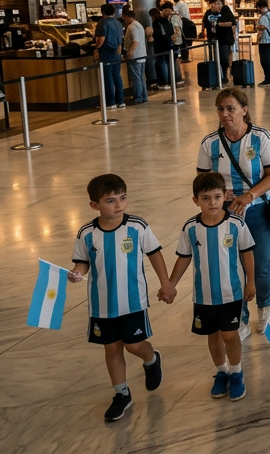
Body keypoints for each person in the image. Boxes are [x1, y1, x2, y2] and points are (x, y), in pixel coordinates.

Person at [68, 173, 176, 423]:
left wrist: (166, 283)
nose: (119, 205)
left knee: (134, 345)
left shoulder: (137, 226)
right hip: (102, 305)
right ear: (94, 205)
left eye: (122, 198)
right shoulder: (87, 233)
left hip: (133, 302)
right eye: (110, 201)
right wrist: (76, 273)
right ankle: (121, 394)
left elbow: (155, 253)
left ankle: (151, 359)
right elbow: (82, 263)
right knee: (112, 348)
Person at [196, 87, 270, 337]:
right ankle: (240, 316)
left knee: (260, 264)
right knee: (233, 266)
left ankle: (265, 307)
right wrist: (221, 193)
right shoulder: (210, 143)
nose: (225, 114)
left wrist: (249, 195)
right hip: (224, 215)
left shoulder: (261, 138)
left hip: (257, 210)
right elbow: (203, 180)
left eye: (230, 108)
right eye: (221, 109)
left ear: (244, 110)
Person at [166, 172, 256, 402]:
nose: (212, 203)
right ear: (195, 200)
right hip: (204, 295)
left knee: (229, 334)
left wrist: (251, 283)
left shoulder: (236, 224)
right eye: (205, 198)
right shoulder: (191, 228)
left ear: (224, 196)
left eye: (217, 197)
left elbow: (247, 254)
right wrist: (171, 284)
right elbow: (184, 258)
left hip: (232, 293)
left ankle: (236, 373)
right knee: (213, 335)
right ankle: (222, 371)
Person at [93, 4, 125, 108]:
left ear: (103, 12)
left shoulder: (102, 23)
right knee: (117, 76)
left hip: (106, 52)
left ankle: (110, 102)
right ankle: (120, 101)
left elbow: (101, 40)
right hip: (117, 51)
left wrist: (96, 48)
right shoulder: (118, 23)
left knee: (108, 78)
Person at [203, 0, 238, 86]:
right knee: (214, 58)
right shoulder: (208, 13)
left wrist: (220, 24)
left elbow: (232, 22)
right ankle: (217, 76)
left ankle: (224, 75)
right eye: (214, 4)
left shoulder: (226, 10)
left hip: (224, 39)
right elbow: (205, 24)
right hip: (213, 39)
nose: (216, 5)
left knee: (223, 58)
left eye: (218, 3)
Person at [120, 8, 149, 104]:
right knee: (141, 77)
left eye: (124, 17)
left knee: (136, 77)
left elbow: (135, 41)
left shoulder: (132, 27)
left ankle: (138, 97)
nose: (123, 19)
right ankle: (143, 96)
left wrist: (129, 53)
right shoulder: (139, 25)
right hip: (141, 55)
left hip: (135, 56)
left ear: (128, 16)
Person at [148, 6, 173, 90]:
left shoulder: (156, 23)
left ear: (152, 15)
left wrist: (153, 37)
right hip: (169, 44)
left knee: (161, 63)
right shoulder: (165, 20)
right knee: (168, 63)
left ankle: (163, 83)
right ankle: (171, 81)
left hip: (161, 46)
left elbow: (158, 35)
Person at [254, 0, 270, 86]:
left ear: (261, 7)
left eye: (258, 7)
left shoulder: (263, 17)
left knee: (264, 60)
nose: (257, 9)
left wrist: (257, 40)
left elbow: (262, 28)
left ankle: (268, 79)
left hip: (265, 41)